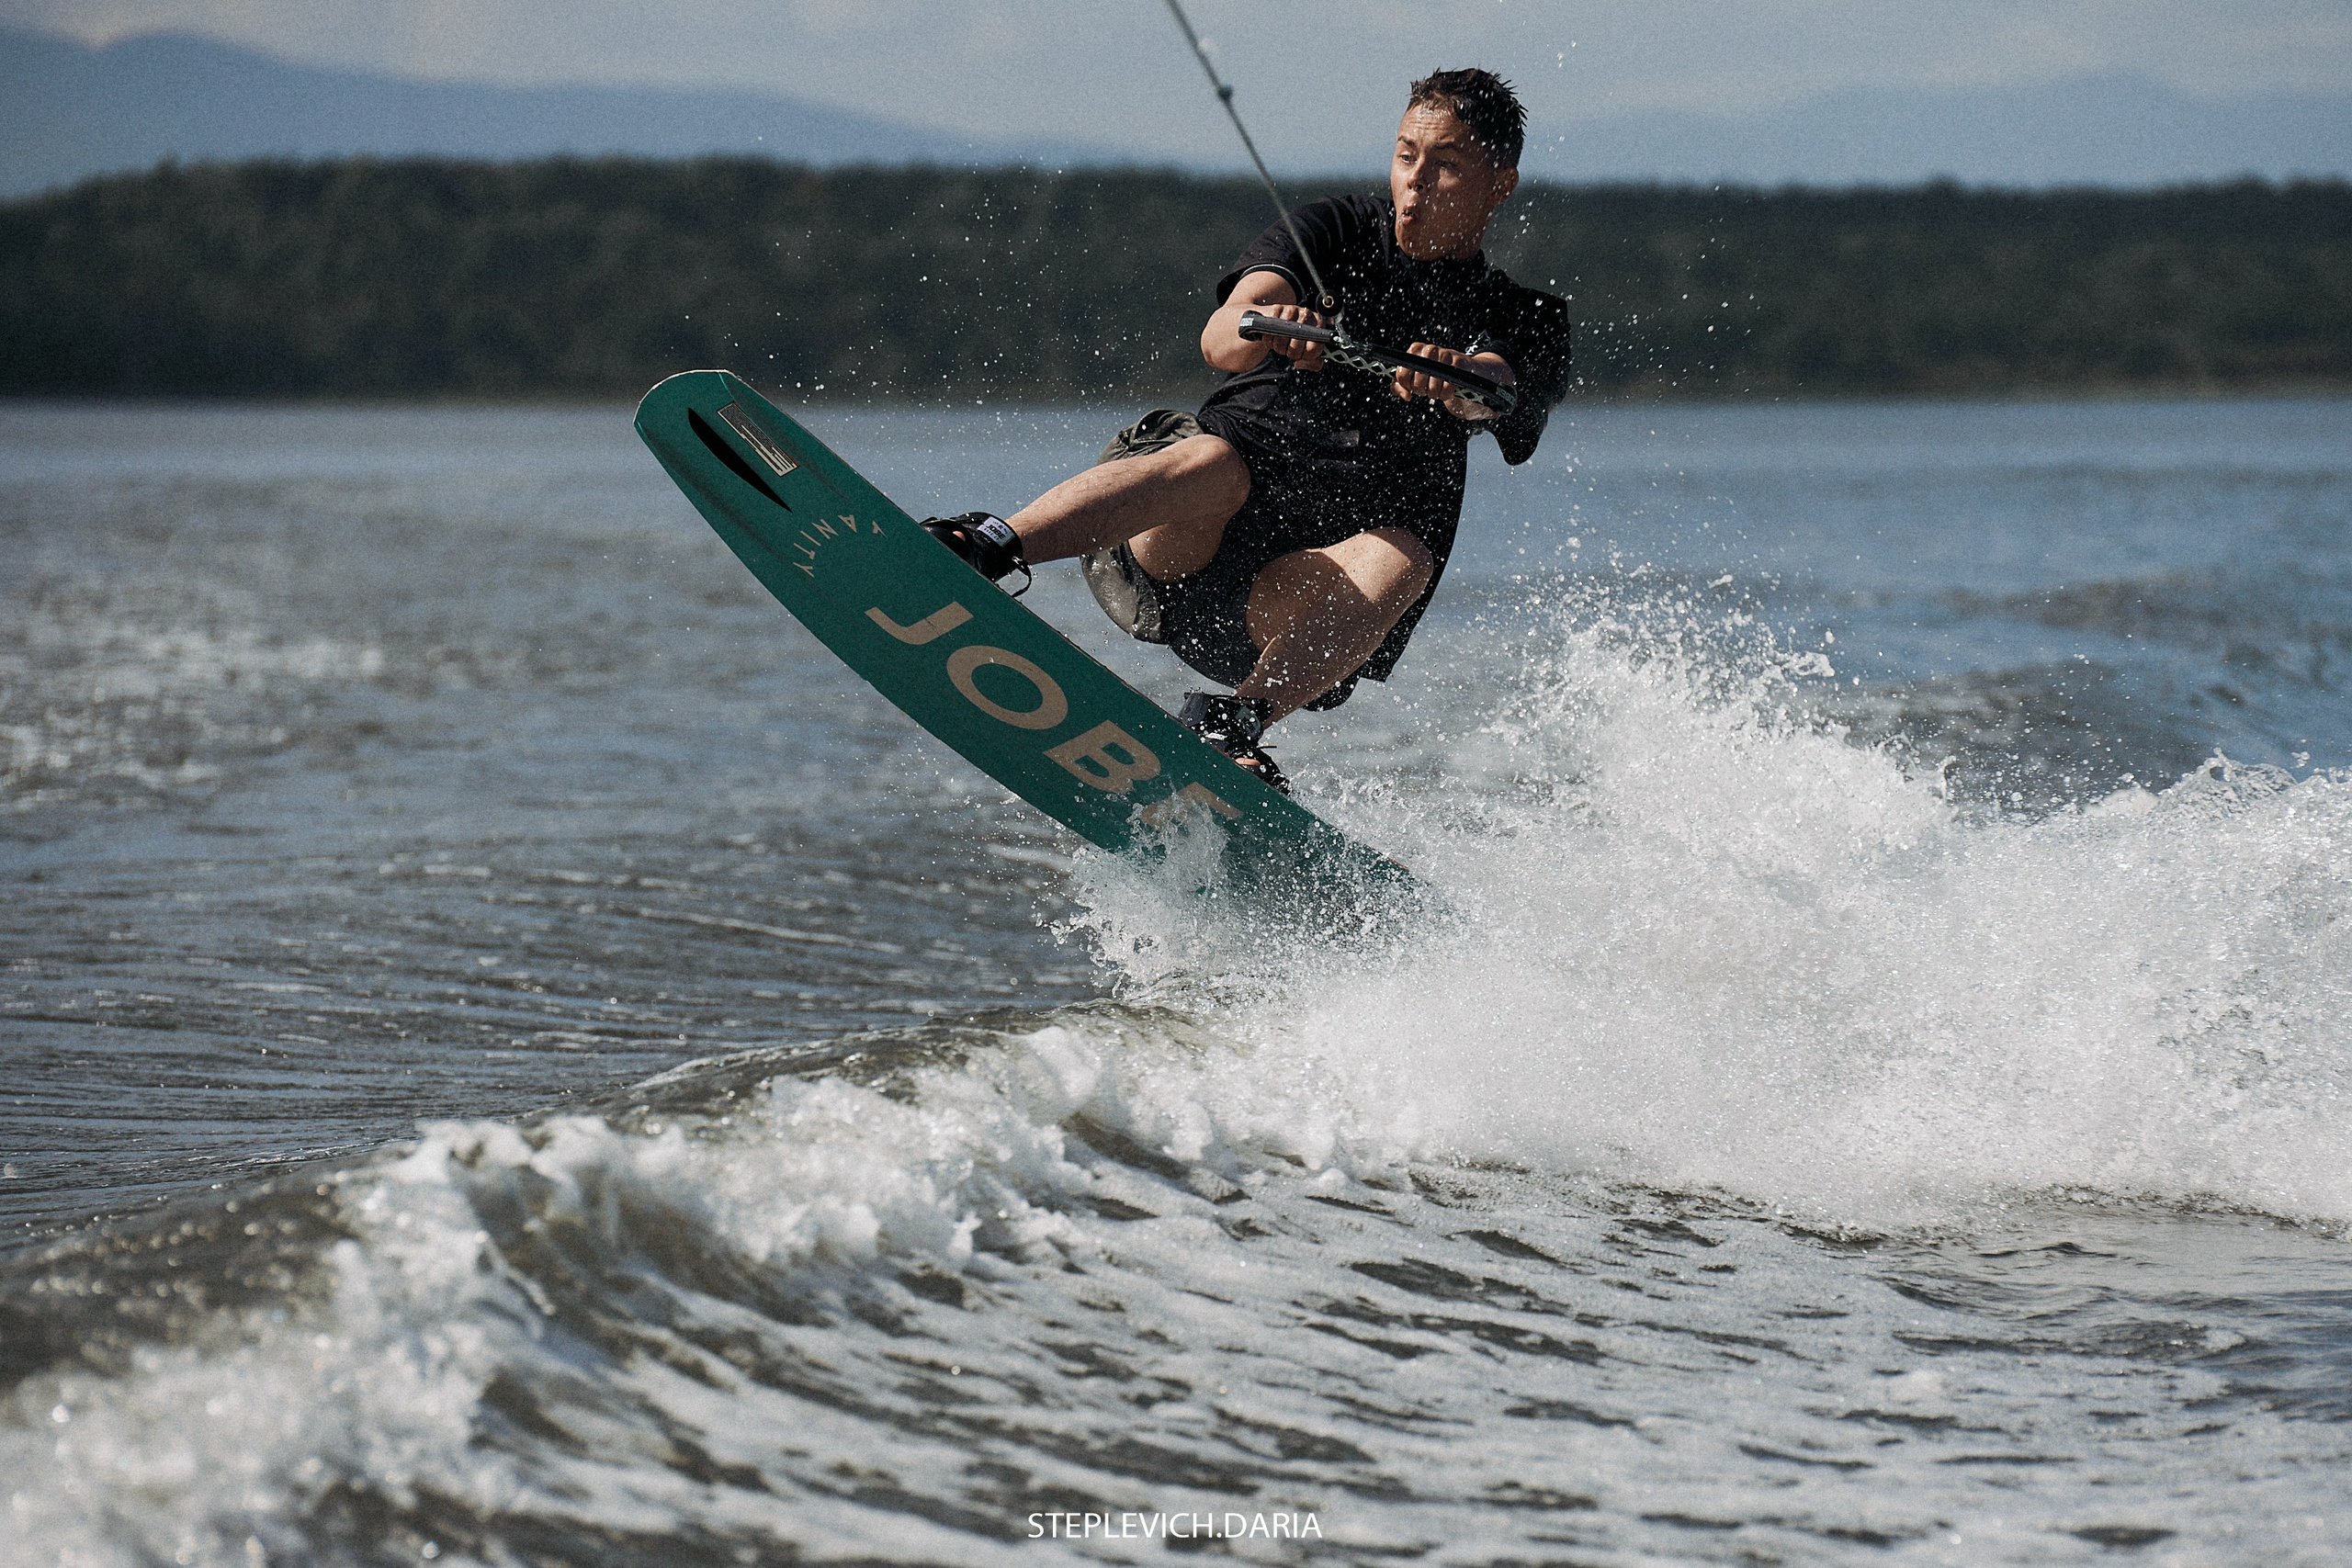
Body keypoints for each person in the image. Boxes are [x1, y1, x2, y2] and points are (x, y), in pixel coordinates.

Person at [924, 68, 1572, 794]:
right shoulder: (1334, 229)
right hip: (1173, 550)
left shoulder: (1526, 316)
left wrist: (1461, 384)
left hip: (1286, 618)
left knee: (1405, 559)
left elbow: (1504, 390)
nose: (1415, 183)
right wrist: (1267, 322)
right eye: (1405, 155)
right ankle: (989, 543)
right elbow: (1222, 335)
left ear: (1500, 184)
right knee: (1215, 463)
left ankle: (1231, 726)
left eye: (1447, 165)